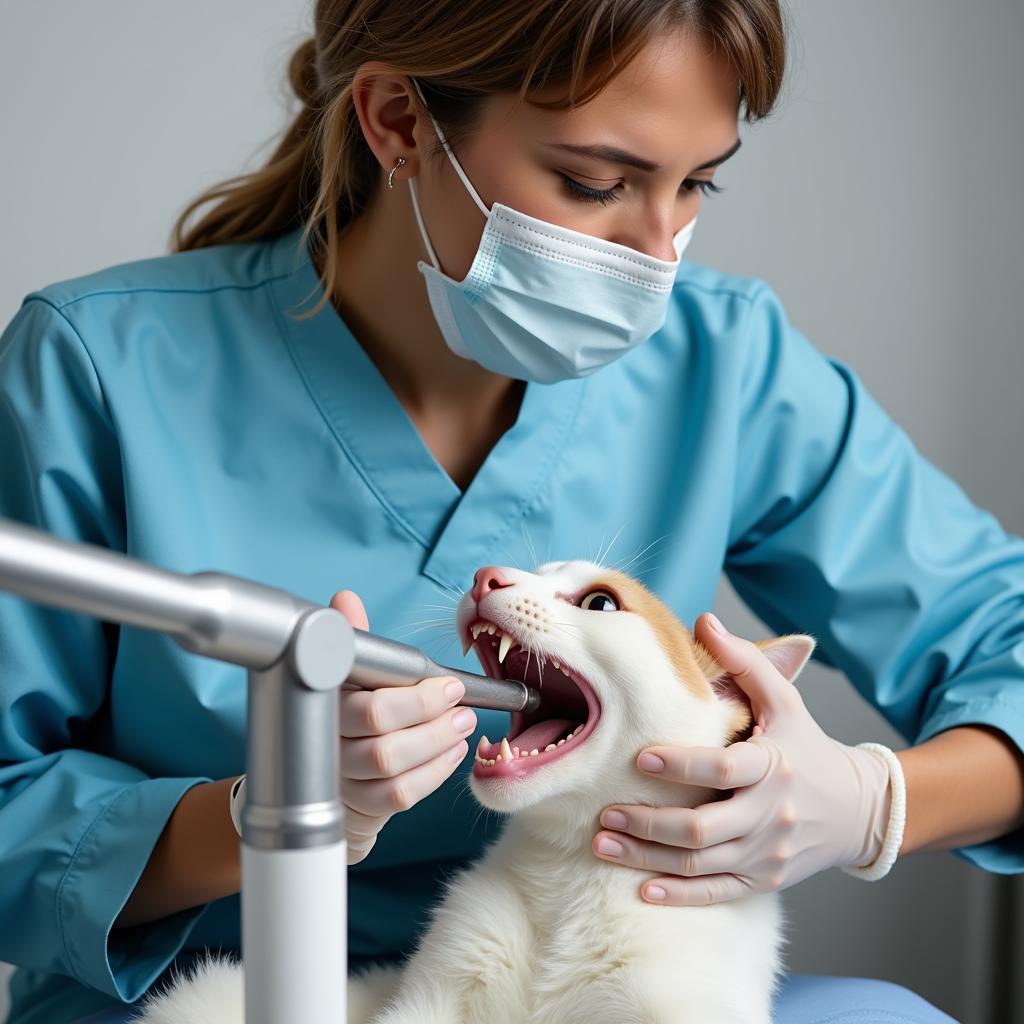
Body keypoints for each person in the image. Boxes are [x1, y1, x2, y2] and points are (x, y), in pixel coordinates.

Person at [0, 1, 1021, 1022]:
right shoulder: (99, 368)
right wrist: (266, 815)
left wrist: (869, 804)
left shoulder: (721, 363)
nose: (657, 251)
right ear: (398, 121)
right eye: (595, 183)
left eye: (697, 183)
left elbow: (998, 632)